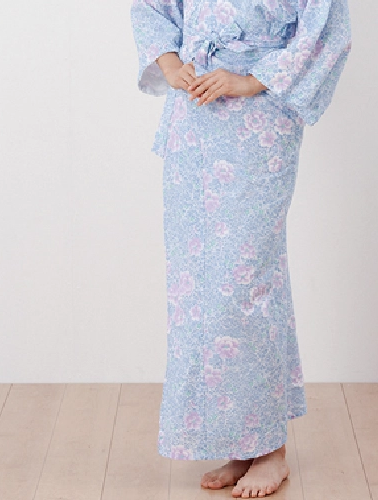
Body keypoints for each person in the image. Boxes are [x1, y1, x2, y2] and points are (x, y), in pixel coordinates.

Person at [130, 0, 352, 496]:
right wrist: (171, 64)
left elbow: (328, 26)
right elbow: (151, 7)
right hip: (193, 117)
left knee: (247, 285)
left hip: (260, 120)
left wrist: (252, 80)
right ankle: (242, 441)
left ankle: (270, 448)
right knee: (199, 292)